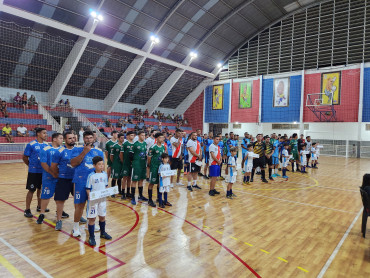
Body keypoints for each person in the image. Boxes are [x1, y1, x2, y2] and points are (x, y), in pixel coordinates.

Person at [70, 130, 104, 237]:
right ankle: (75, 227)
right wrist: (84, 151)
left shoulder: (98, 151)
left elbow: (101, 167)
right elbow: (73, 163)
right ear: (83, 139)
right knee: (79, 205)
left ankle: (89, 224)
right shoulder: (77, 149)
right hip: (80, 181)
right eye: (86, 138)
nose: (89, 140)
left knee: (92, 205)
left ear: (94, 139)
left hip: (94, 184)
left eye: (90, 138)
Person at [36, 133, 63, 224]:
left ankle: (59, 213)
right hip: (48, 178)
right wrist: (53, 173)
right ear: (54, 139)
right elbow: (43, 164)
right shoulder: (45, 149)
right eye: (60, 138)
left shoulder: (63, 149)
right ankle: (42, 214)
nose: (62, 140)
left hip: (60, 178)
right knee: (45, 196)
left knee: (59, 197)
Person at [51, 131, 76, 230]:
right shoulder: (60, 151)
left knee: (78, 200)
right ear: (65, 140)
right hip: (63, 180)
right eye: (70, 138)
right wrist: (58, 175)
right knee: (60, 201)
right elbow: (53, 166)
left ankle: (78, 217)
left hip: (75, 180)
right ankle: (59, 220)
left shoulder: (78, 150)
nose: (72, 140)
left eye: (73, 138)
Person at [86, 156, 112, 246]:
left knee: (102, 216)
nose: (101, 166)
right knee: (92, 218)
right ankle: (91, 236)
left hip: (102, 200)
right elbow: (88, 188)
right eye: (99, 164)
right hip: (93, 200)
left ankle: (103, 233)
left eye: (102, 164)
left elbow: (105, 186)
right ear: (94, 165)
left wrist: (107, 191)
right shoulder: (91, 176)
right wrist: (89, 195)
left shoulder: (105, 174)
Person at [23, 128, 49, 217]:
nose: (46, 134)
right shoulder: (31, 144)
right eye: (44, 133)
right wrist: (31, 166)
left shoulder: (47, 145)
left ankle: (39, 206)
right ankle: (27, 209)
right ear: (38, 134)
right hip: (34, 171)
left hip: (43, 171)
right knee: (31, 190)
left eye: (46, 133)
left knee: (40, 189)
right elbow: (25, 157)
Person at [130, 131, 148, 204]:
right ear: (138, 136)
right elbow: (130, 156)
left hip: (143, 164)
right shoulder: (135, 144)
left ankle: (141, 196)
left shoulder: (145, 144)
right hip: (136, 165)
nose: (143, 137)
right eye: (142, 135)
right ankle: (133, 197)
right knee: (134, 180)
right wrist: (134, 163)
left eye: (144, 135)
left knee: (141, 180)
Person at [147, 133, 166, 207]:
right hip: (154, 168)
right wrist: (149, 165)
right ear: (157, 138)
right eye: (161, 138)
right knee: (151, 183)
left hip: (160, 168)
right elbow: (149, 158)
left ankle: (159, 198)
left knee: (159, 183)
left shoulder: (163, 147)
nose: (162, 139)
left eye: (163, 137)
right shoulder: (153, 147)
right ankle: (150, 200)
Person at [120, 131, 135, 200]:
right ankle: (123, 193)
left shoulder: (134, 144)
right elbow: (121, 154)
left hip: (132, 164)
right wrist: (123, 162)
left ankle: (128, 192)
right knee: (124, 178)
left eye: (133, 135)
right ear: (128, 136)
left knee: (129, 178)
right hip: (126, 164)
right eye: (131, 135)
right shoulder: (125, 144)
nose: (133, 136)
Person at [110, 133, 124, 197]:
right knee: (114, 177)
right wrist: (114, 162)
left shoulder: (124, 145)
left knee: (120, 178)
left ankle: (119, 190)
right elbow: (111, 156)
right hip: (116, 164)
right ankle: (112, 192)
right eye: (121, 138)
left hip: (122, 164)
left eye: (123, 138)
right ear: (118, 138)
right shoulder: (115, 146)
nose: (123, 139)